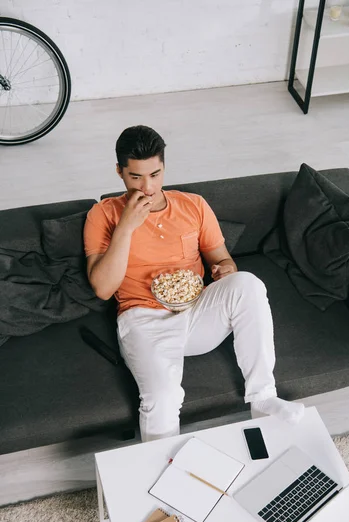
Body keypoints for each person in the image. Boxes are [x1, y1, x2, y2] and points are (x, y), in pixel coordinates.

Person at [84, 125, 304, 442]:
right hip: (143, 319)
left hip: (198, 311)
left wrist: (224, 270)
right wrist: (126, 229)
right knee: (162, 396)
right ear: (119, 172)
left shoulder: (193, 206)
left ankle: (263, 397)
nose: (147, 187)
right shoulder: (103, 215)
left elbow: (224, 259)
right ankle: (162, 465)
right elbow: (103, 288)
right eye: (136, 177)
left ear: (164, 167)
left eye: (155, 174)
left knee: (248, 284)